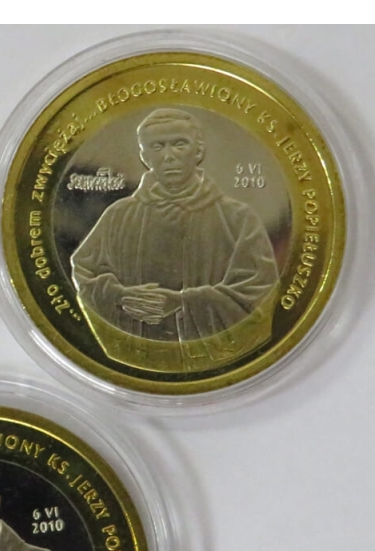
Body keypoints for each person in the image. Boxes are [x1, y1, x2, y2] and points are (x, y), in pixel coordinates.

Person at [71, 108, 279, 372]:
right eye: (157, 146)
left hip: (210, 358)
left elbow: (258, 291)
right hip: (136, 354)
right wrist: (119, 296)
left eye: (179, 144)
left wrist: (182, 302)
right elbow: (84, 272)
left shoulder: (237, 218)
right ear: (145, 157)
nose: (168, 156)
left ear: (198, 151)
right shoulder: (118, 216)